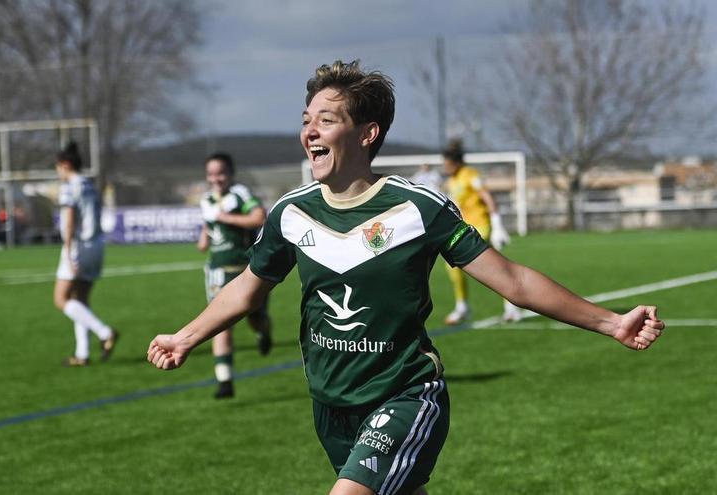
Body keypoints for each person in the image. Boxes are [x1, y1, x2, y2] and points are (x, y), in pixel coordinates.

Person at [147, 60, 665, 495]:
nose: (310, 131)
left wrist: (610, 323)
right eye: (306, 120)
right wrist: (185, 336)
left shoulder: (417, 208)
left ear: (366, 133)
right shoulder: (290, 213)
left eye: (326, 120)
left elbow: (514, 283)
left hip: (404, 397)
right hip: (330, 406)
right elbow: (246, 287)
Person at [198, 151, 273, 399]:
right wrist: (204, 237)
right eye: (211, 174)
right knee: (220, 325)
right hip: (217, 271)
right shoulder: (207, 199)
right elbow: (208, 227)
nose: (216, 178)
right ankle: (224, 380)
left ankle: (263, 330)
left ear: (230, 174)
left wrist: (225, 216)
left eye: (220, 173)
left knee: (255, 319)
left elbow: (259, 217)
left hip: (245, 271)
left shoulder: (240, 194)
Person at [441, 138, 521, 324]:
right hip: (465, 227)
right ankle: (505, 307)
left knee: (482, 267)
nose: (445, 167)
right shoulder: (452, 181)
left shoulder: (470, 174)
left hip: (480, 226)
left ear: (456, 162)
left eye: (447, 163)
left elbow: (487, 196)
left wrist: (497, 222)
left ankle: (466, 307)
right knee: (495, 268)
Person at [53, 142, 118, 367]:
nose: (57, 172)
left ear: (66, 165)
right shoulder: (89, 185)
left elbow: (69, 220)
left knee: (60, 299)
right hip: (97, 245)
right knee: (80, 300)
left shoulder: (70, 186)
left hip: (79, 245)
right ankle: (82, 354)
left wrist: (69, 252)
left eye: (58, 167)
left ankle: (104, 332)